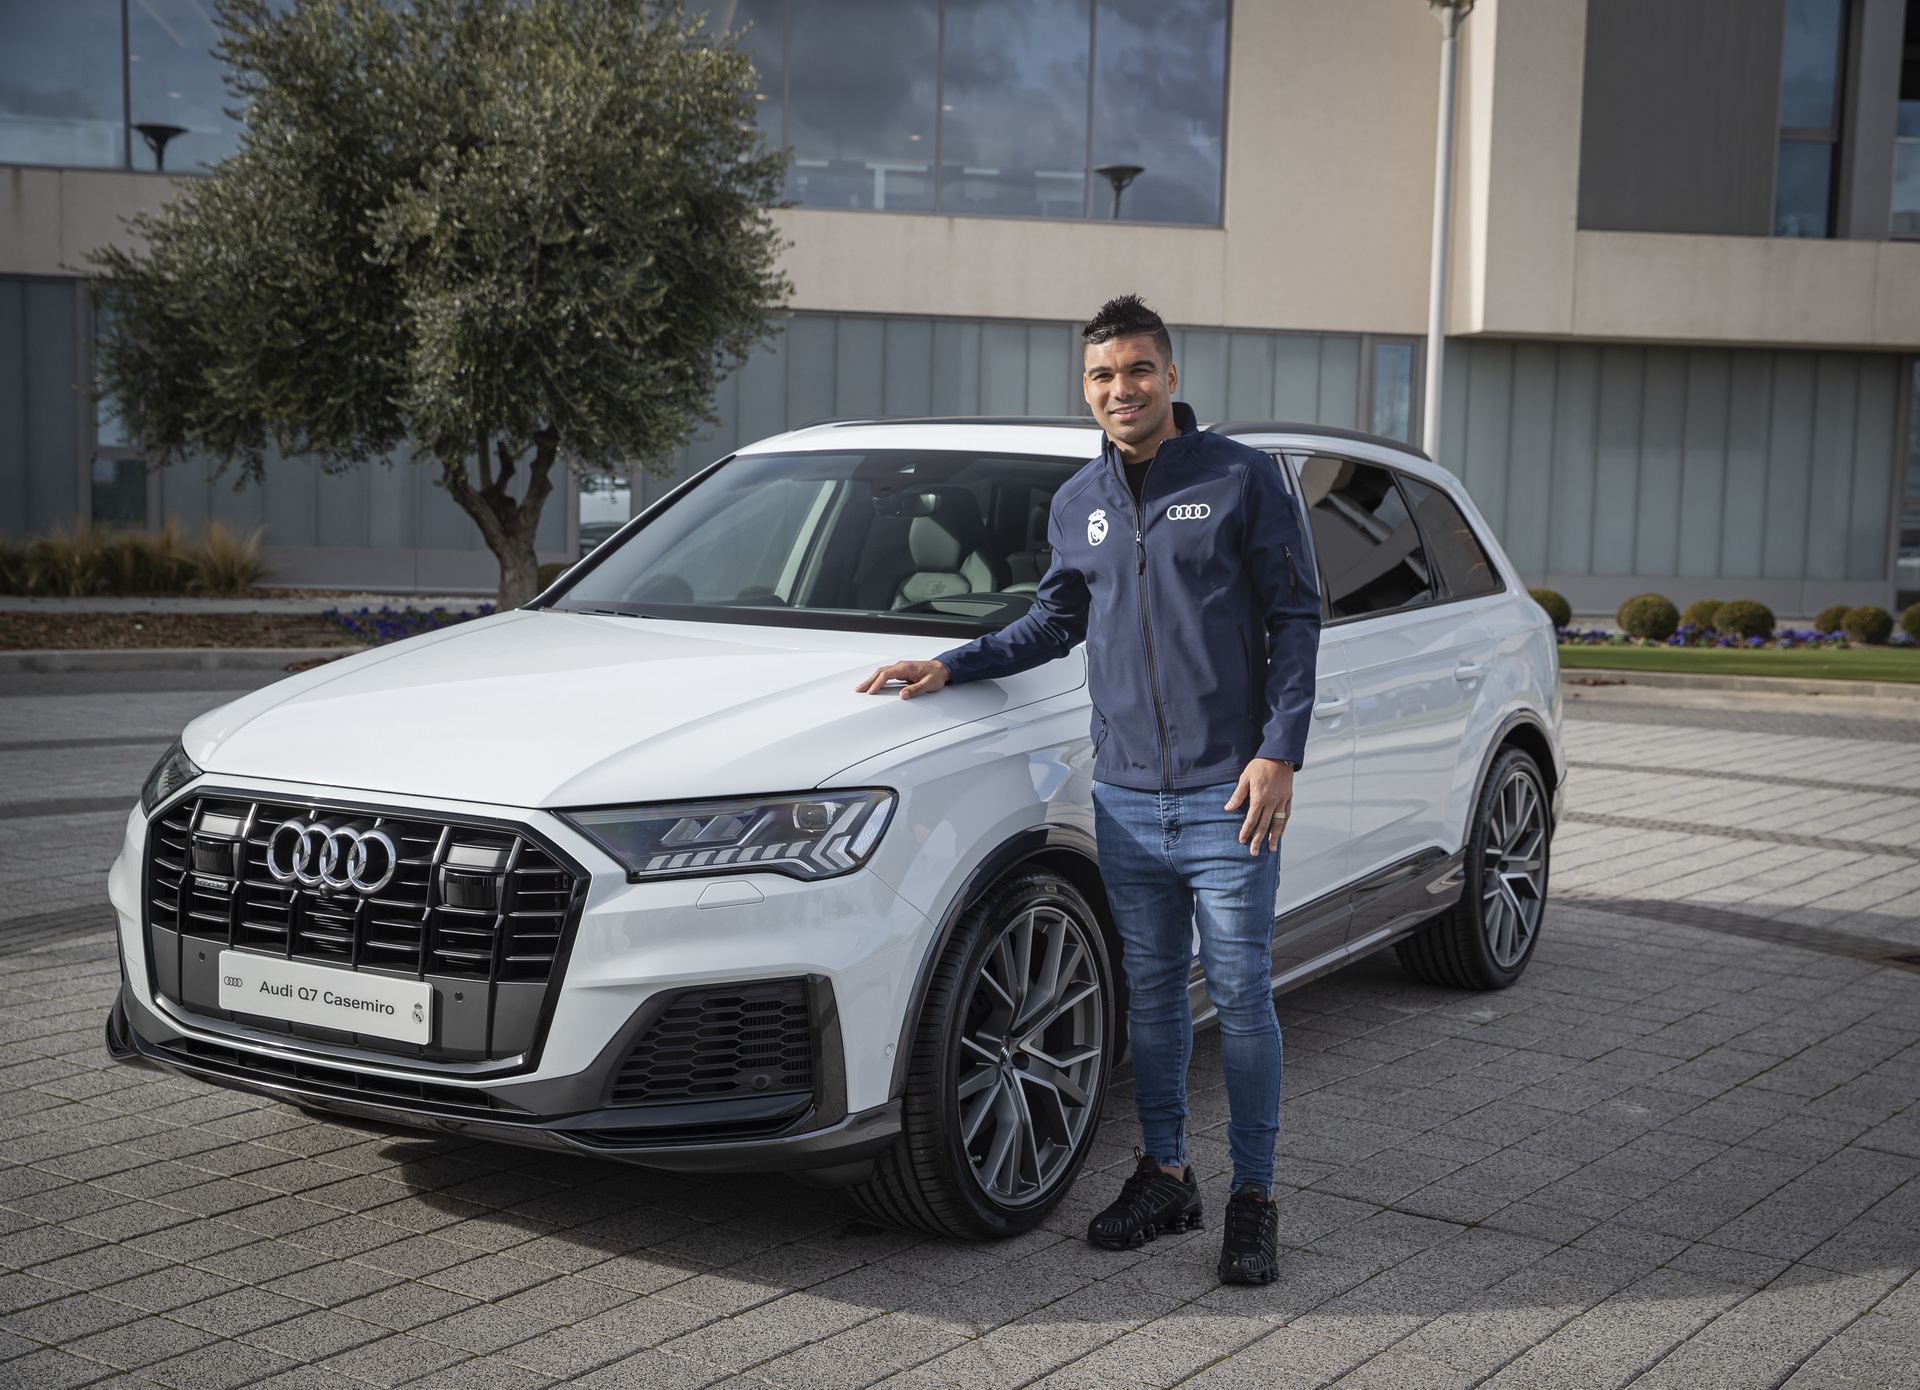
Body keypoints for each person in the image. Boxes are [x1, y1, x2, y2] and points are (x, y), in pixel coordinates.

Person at [856, 294, 1321, 1284]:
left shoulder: (1241, 479)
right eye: (1104, 375)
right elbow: (1053, 621)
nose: (1122, 389)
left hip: (1228, 796)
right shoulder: (1080, 504)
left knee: (1240, 995)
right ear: (1087, 386)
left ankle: (1254, 1195)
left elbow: (1296, 617)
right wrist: (958, 662)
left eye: (1139, 370)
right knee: (1151, 998)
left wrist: (1279, 751)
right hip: (1124, 796)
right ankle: (1165, 1175)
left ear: (1172, 377)